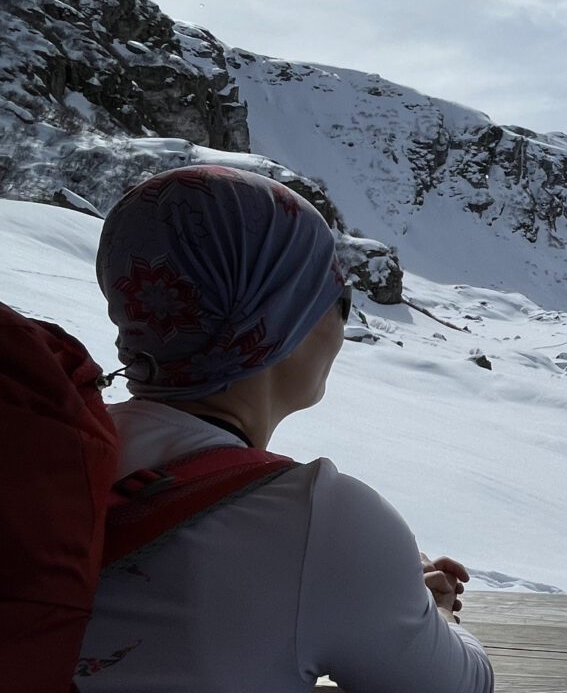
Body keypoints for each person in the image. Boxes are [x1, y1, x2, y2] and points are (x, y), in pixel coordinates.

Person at [77, 165, 493, 692]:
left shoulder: (55, 452)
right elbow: (462, 686)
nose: (342, 325)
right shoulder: (320, 520)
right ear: (280, 320)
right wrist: (435, 614)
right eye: (336, 299)